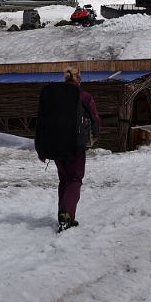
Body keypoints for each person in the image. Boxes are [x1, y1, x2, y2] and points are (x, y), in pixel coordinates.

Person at [34, 67, 101, 232]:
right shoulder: (83, 96)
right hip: (75, 145)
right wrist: (95, 134)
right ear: (78, 78)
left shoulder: (53, 95)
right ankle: (67, 214)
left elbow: (41, 121)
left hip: (55, 145)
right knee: (75, 179)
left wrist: (40, 147)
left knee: (64, 180)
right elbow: (95, 119)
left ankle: (62, 215)